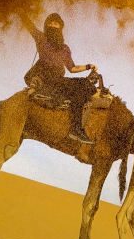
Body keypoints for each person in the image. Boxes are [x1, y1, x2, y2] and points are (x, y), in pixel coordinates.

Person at [20, 12, 99, 144]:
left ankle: (75, 129)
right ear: (46, 26)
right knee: (82, 85)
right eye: (50, 23)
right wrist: (19, 9)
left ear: (60, 28)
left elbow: (72, 68)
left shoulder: (65, 48)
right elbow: (30, 26)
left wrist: (88, 66)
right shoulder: (41, 38)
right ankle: (76, 129)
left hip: (59, 79)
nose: (53, 25)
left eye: (56, 23)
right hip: (45, 79)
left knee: (86, 85)